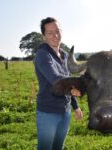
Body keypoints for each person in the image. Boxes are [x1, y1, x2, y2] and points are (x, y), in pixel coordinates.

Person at [34, 17, 83, 150]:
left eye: (57, 31)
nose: (55, 36)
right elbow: (56, 79)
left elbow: (67, 80)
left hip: (65, 111)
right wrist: (82, 83)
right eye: (50, 33)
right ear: (44, 36)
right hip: (48, 113)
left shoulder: (65, 55)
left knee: (58, 147)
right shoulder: (42, 55)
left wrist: (75, 106)